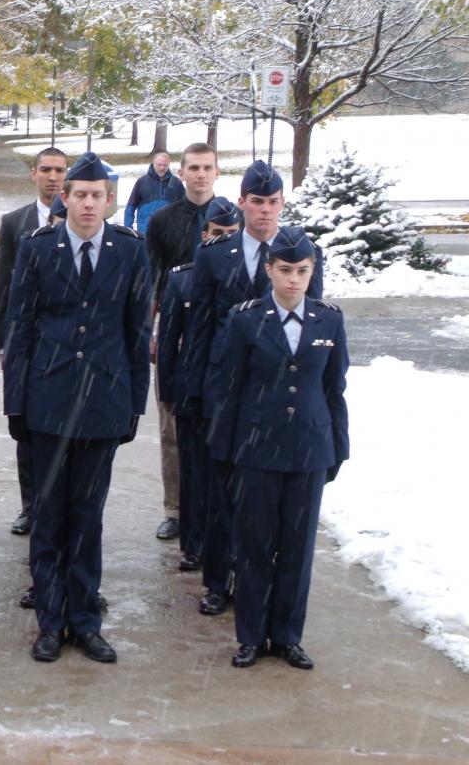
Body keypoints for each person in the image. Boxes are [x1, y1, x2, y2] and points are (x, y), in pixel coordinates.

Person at [3, 152, 152, 664]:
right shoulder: (37, 249)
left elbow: (137, 332)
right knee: (48, 517)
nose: (88, 203)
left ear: (110, 201)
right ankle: (50, 621)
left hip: (103, 403)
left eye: (97, 195)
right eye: (79, 194)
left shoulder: (131, 251)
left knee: (88, 519)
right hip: (48, 401)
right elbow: (19, 329)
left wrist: (134, 404)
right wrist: (15, 403)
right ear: (63, 197)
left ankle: (85, 621)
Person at [184, 160, 324, 618]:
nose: (264, 211)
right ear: (241, 202)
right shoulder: (213, 255)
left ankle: (256, 581)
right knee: (220, 492)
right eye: (256, 201)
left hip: (274, 397)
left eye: (273, 202)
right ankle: (217, 580)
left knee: (267, 503)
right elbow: (200, 328)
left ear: (283, 204)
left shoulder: (300, 258)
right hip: (224, 392)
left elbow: (310, 326)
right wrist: (194, 390)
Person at [210, 227, 348, 669]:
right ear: (269, 270)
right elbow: (227, 388)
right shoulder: (246, 318)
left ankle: (287, 636)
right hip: (256, 447)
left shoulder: (329, 319)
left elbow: (334, 388)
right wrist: (224, 450)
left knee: (297, 548)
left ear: (313, 272)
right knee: (254, 545)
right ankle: (251, 635)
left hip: (309, 446)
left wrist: (338, 447)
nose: (293, 279)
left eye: (302, 271)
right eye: (285, 270)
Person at [155, 197, 241, 572]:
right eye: (216, 233)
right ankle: (193, 544)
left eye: (230, 234)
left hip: (230, 388)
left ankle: (229, 545)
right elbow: (170, 339)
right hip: (192, 388)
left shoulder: (245, 276)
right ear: (203, 234)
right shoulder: (181, 277)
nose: (222, 240)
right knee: (193, 471)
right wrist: (169, 392)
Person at [144, 142, 222, 543]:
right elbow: (151, 281)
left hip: (222, 337)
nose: (200, 174)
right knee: (171, 425)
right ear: (181, 173)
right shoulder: (163, 220)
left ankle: (214, 505)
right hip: (175, 333)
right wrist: (152, 331)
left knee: (217, 425)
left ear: (217, 172)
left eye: (207, 167)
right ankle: (174, 507)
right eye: (193, 167)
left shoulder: (231, 217)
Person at [0, 147, 67, 535]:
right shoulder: (14, 222)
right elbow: (3, 284)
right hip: (26, 342)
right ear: (34, 173)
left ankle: (59, 505)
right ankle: (30, 505)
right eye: (46, 170)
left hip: (64, 346)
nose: (53, 177)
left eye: (59, 170)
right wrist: (2, 343)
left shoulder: (81, 221)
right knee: (26, 427)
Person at [124, 151, 184, 233]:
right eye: (159, 165)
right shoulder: (142, 182)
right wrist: (128, 230)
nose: (162, 168)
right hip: (145, 232)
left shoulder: (176, 183)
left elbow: (186, 207)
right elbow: (130, 207)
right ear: (153, 163)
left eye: (165, 165)